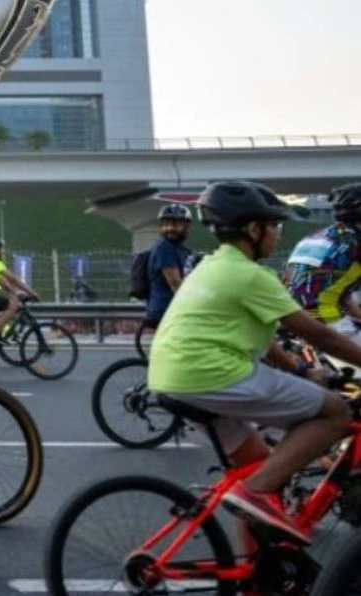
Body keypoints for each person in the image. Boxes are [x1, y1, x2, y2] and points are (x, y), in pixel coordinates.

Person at [148, 180, 361, 544]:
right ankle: (256, 494)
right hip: (212, 375)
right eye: (274, 225)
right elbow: (321, 337)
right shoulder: (251, 276)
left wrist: (300, 370)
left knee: (257, 464)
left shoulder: (211, 266)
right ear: (253, 229)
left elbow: (264, 340)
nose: (278, 234)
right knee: (335, 413)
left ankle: (255, 579)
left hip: (172, 375)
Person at [284, 182, 361, 345]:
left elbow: (336, 293)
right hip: (326, 322)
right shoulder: (355, 241)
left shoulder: (319, 236)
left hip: (292, 320)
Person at [144, 203, 197, 333]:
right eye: (165, 224)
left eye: (175, 224)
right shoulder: (164, 248)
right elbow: (175, 284)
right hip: (166, 312)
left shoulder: (185, 251)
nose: (169, 228)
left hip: (174, 310)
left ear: (187, 226)